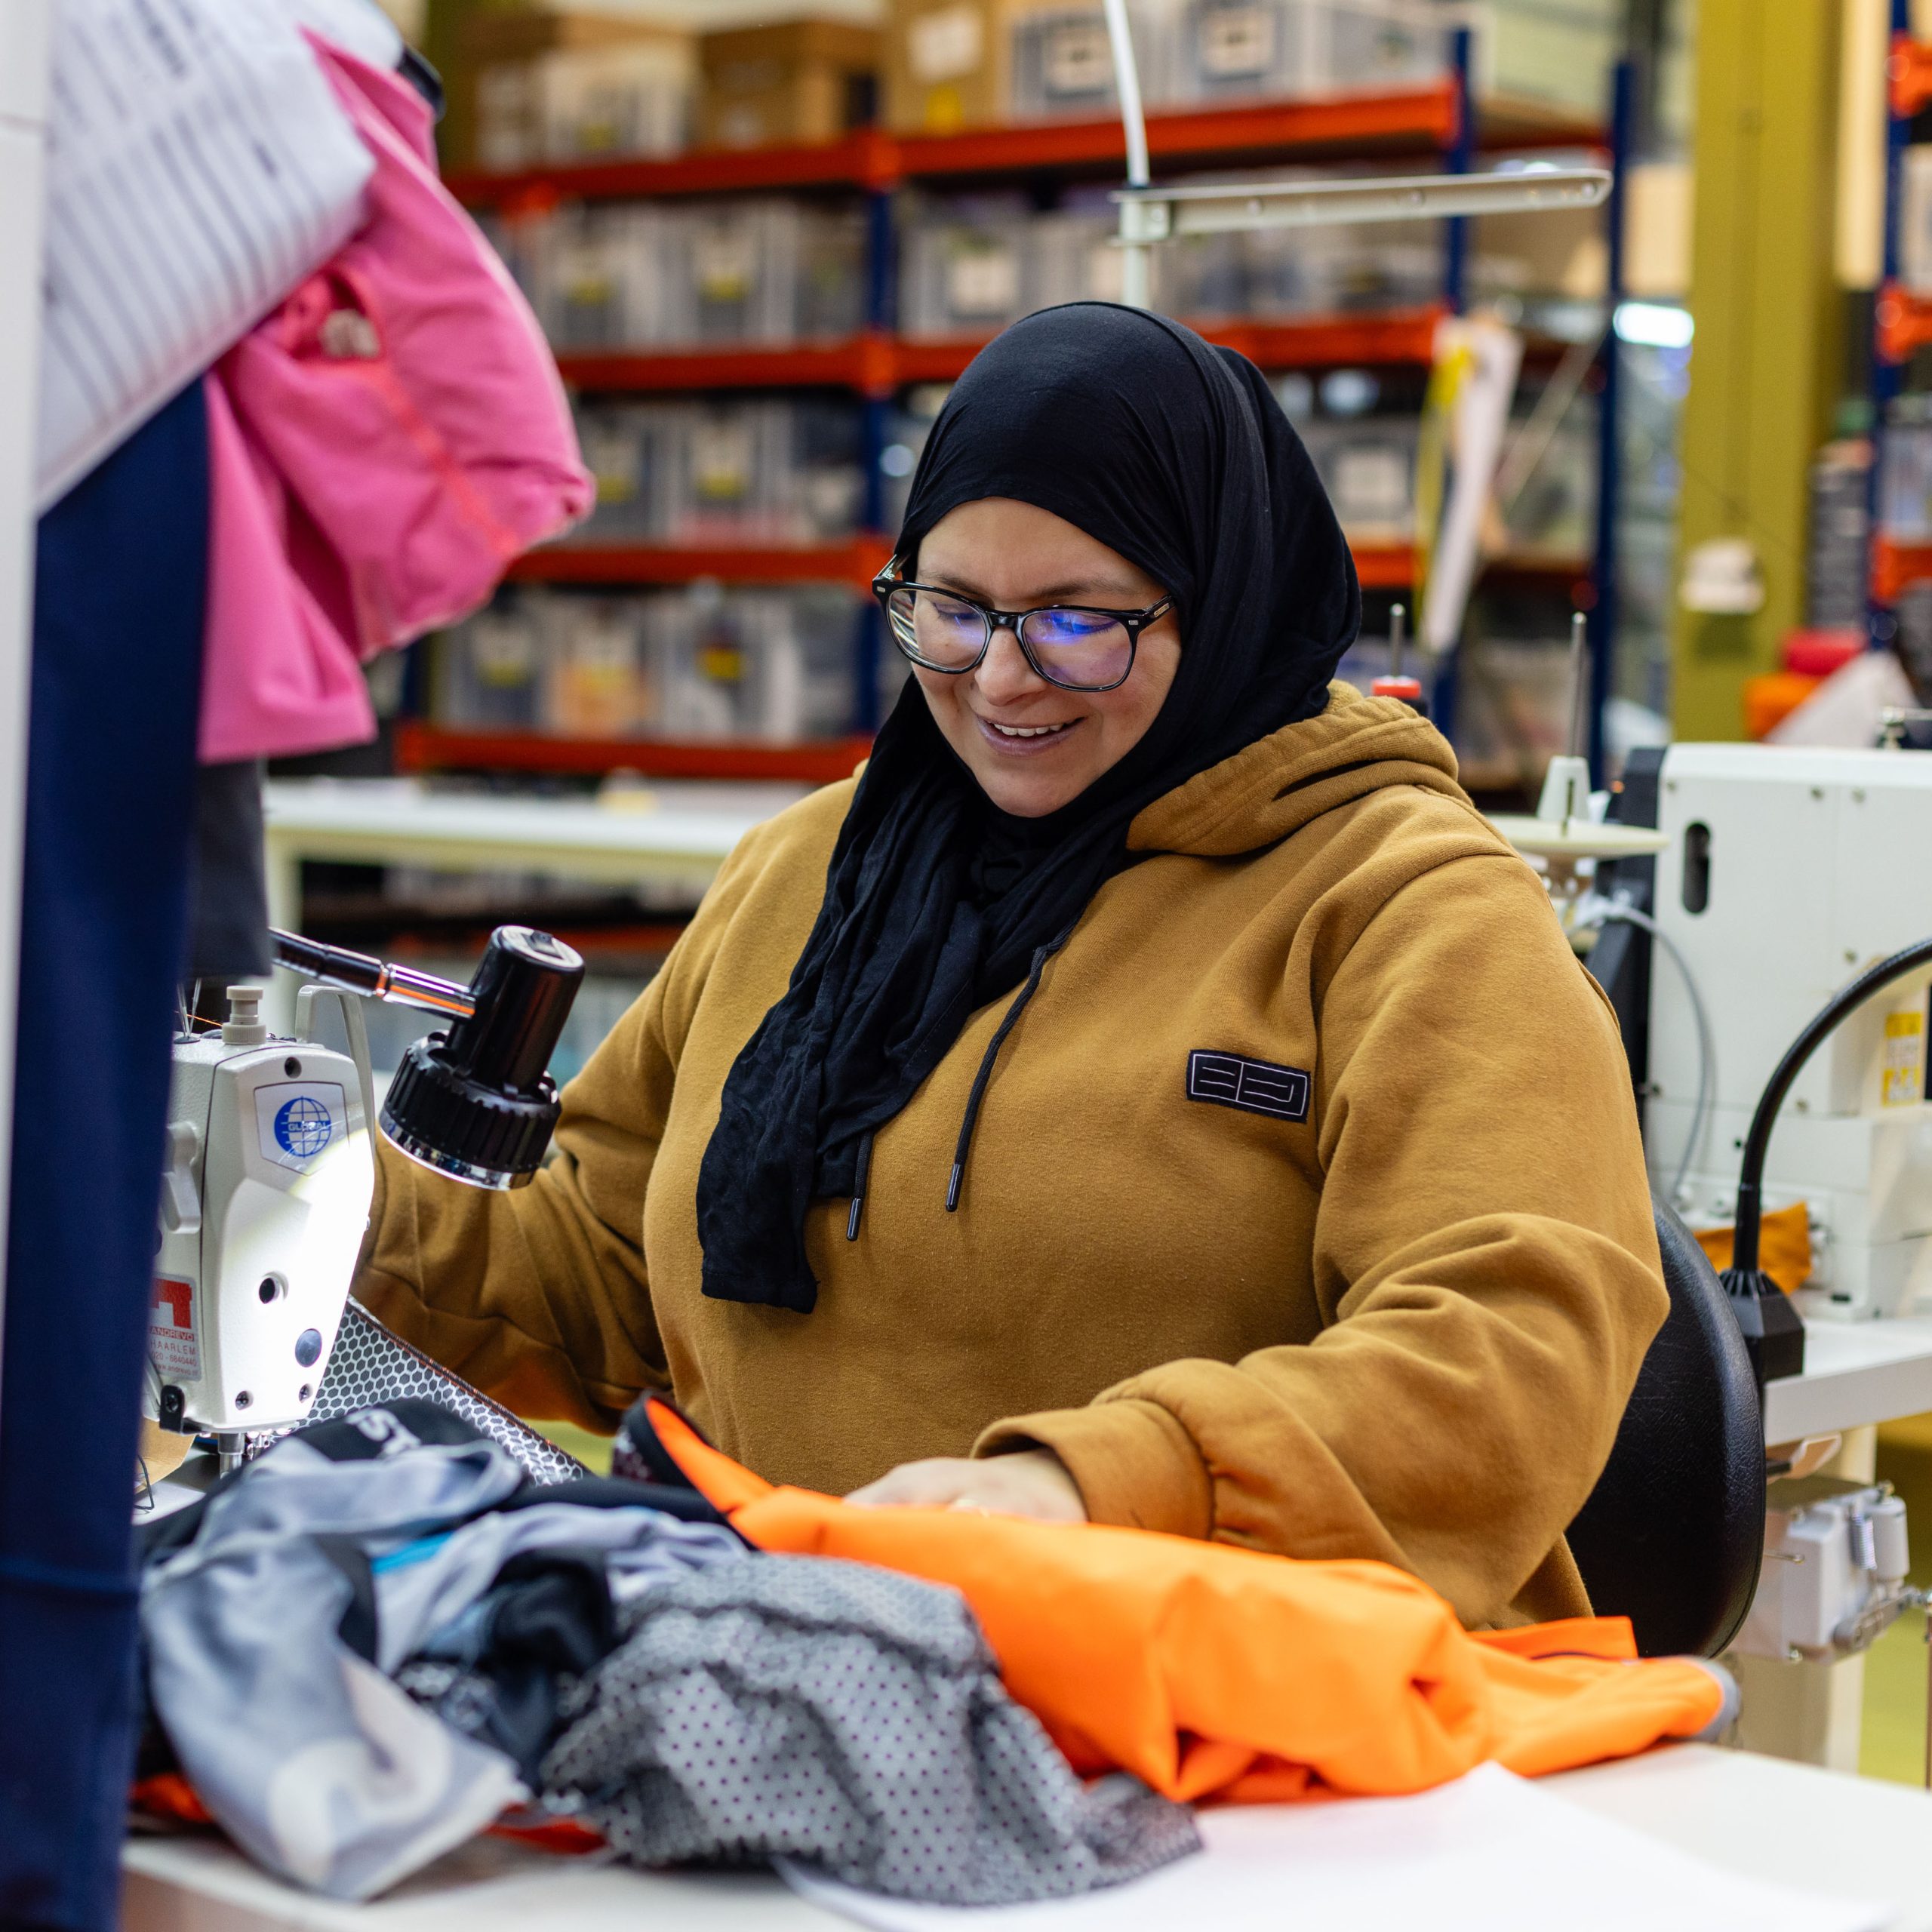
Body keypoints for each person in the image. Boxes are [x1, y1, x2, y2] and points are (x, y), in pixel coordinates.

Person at [355, 303, 1665, 1630]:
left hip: (1236, 1703)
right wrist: (308, 1195)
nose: (999, 680)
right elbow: (596, 1265)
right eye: (954, 609)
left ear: (1222, 602)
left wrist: (1091, 1490)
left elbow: (1507, 1349)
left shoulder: (1405, 908)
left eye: (1075, 622)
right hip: (814, 1672)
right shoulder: (815, 872)